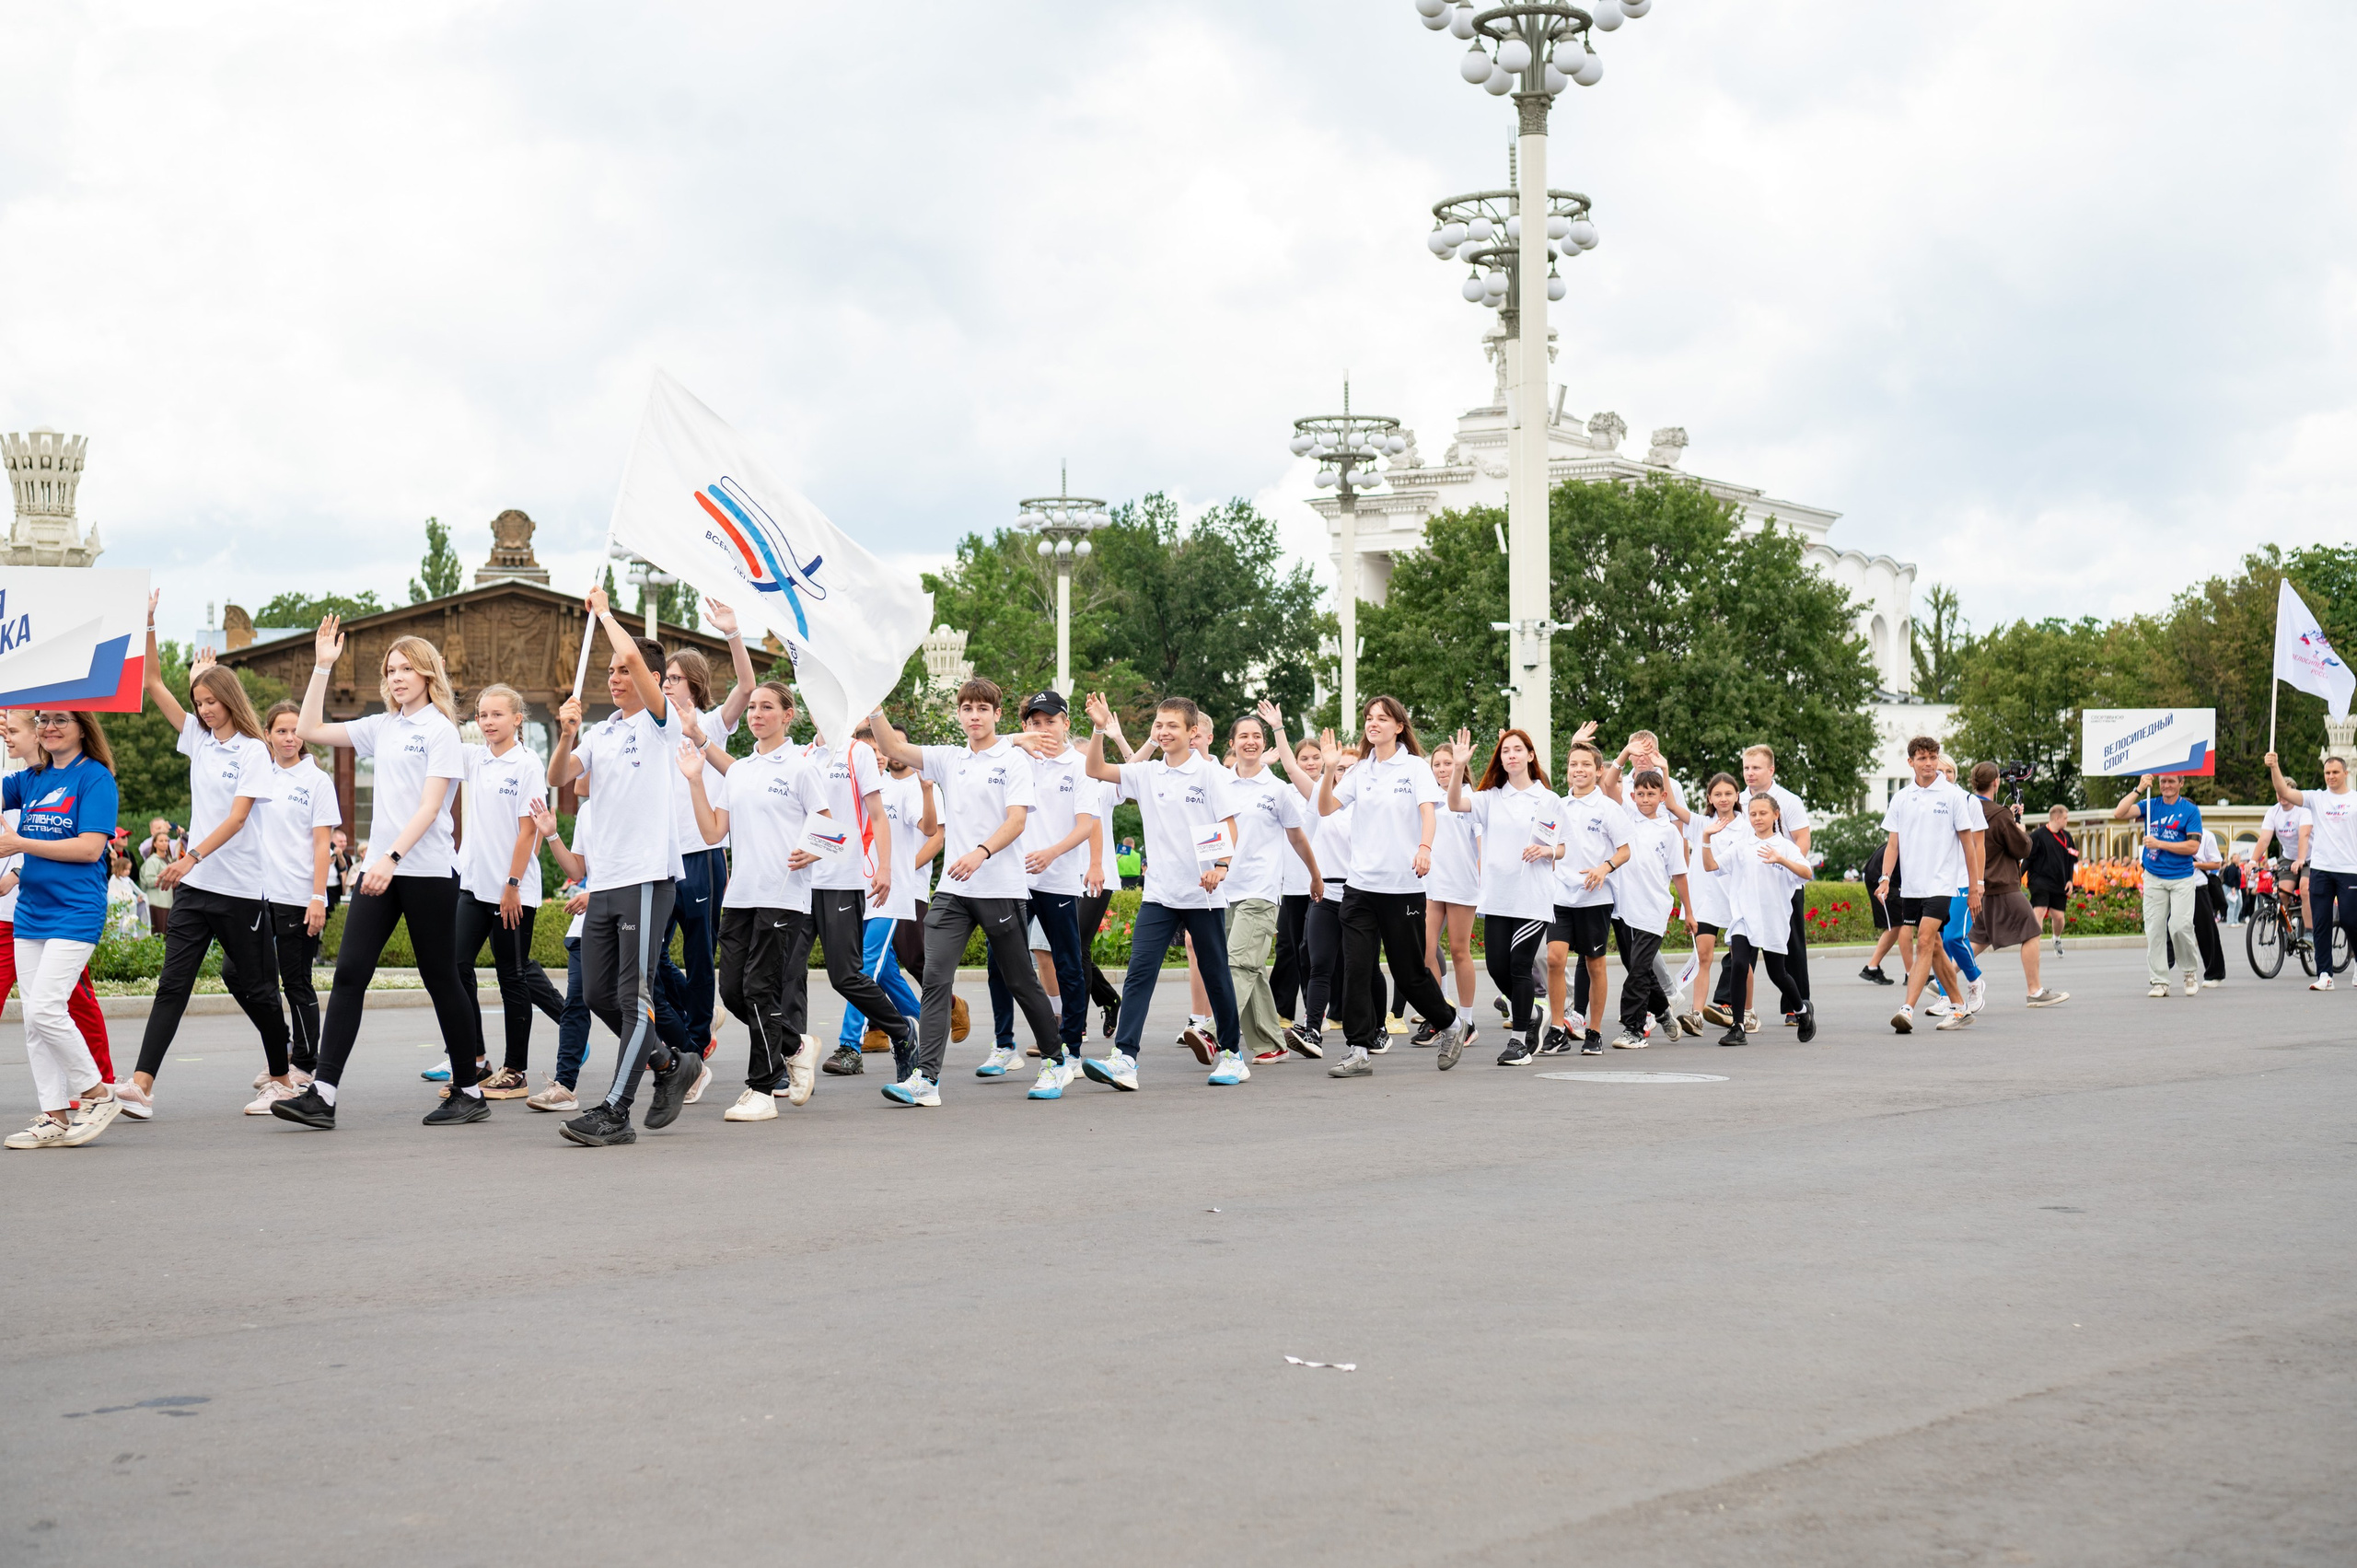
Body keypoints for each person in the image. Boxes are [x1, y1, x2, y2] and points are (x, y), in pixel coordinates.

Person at [271, 617, 483, 1130]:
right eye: (390, 671)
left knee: (441, 979)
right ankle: (322, 1095)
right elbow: (309, 729)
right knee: (349, 974)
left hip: (426, 871)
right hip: (380, 869)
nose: (397, 677)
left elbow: (431, 807)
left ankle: (470, 1090)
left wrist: (391, 857)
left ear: (428, 673)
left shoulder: (440, 730)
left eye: (406, 668)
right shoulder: (382, 726)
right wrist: (323, 666)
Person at [528, 589, 705, 1145]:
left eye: (623, 671)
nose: (613, 677)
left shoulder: (660, 724)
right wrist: (565, 736)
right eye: (608, 671)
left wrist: (604, 613)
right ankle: (671, 1065)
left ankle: (615, 1110)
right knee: (598, 995)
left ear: (648, 678)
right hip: (604, 882)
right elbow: (559, 778)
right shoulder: (602, 733)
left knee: (634, 997)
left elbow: (631, 654)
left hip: (646, 876)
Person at [119, 607, 293, 1121]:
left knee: (259, 990)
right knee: (173, 984)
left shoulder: (254, 752)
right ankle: (142, 1086)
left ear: (230, 700)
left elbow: (238, 819)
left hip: (238, 890)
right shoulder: (197, 737)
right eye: (198, 703)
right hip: (196, 889)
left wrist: (190, 856)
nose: (204, 710)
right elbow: (152, 682)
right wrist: (149, 623)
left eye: (212, 702)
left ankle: (283, 1080)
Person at [865, 681, 1063, 1106]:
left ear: (997, 714)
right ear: (959, 714)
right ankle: (926, 1080)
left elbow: (1017, 821)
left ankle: (1055, 1060)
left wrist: (980, 852)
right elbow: (893, 748)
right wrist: (874, 705)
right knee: (935, 980)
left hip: (999, 888)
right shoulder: (949, 758)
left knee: (1020, 981)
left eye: (983, 708)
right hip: (953, 890)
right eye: (968, 708)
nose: (974, 715)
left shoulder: (1013, 760)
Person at [1073, 691, 1246, 1090]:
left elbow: (1228, 824)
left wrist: (1220, 867)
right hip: (1159, 895)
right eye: (1158, 725)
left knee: (1217, 975)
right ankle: (1125, 1059)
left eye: (1172, 726)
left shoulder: (1209, 774)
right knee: (1139, 973)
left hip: (1202, 894)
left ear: (1193, 731)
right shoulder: (1147, 773)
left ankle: (1232, 1055)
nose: (1164, 732)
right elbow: (1095, 768)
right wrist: (1099, 729)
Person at [679, 680, 831, 1121]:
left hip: (783, 895)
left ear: (787, 715)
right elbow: (712, 832)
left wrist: (813, 850)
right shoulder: (741, 770)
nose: (757, 715)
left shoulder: (802, 767)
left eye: (767, 707)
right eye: (752, 708)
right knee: (732, 991)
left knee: (760, 990)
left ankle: (761, 1090)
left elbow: (832, 829)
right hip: (741, 896)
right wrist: (695, 781)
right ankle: (796, 1045)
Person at [1316, 695, 1464, 1078]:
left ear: (1399, 726)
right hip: (1360, 888)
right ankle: (1358, 1049)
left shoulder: (1414, 768)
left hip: (1403, 888)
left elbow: (1428, 813)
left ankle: (1450, 1024)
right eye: (1369, 718)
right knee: (1356, 970)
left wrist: (1425, 848)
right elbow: (1326, 808)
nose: (1373, 723)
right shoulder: (1360, 771)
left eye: (1382, 718)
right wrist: (1329, 769)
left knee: (1409, 973)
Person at [1, 708, 125, 1149]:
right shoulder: (30, 779)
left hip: (75, 910)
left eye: (60, 720)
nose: (49, 727)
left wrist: (19, 843)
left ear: (82, 727)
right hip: (31, 912)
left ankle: (97, 1093)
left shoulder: (95, 778)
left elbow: (90, 849)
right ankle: (53, 1115)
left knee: (45, 1010)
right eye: (43, 720)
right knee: (33, 1022)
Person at [649, 605, 759, 1065]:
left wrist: (733, 633)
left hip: (702, 856)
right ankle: (698, 1017)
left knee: (699, 958)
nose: (666, 684)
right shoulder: (653, 729)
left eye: (674, 678)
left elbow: (747, 687)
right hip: (660, 859)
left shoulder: (712, 724)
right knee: (649, 959)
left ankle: (693, 1047)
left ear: (693, 684)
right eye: (664, 678)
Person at [450, 684, 566, 1099]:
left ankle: (515, 1070)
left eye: (496, 714)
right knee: (456, 967)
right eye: (482, 715)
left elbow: (527, 832)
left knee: (511, 977)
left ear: (517, 719)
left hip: (511, 890)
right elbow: (440, 727)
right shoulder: (475, 758)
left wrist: (512, 885)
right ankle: (476, 1059)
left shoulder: (527, 764)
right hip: (473, 885)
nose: (487, 722)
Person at [978, 691, 1098, 1079]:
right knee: (999, 962)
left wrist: (1051, 853)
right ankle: (1004, 1046)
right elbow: (983, 741)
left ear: (1066, 723)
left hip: (1057, 879)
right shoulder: (1015, 759)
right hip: (1012, 880)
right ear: (1025, 726)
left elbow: (1086, 825)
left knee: (1067, 963)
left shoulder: (1080, 766)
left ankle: (1071, 1049)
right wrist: (1018, 739)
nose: (1043, 729)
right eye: (1035, 722)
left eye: (1050, 721)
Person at [799, 703, 918, 1094]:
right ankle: (791, 1057)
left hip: (843, 880)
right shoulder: (802, 756)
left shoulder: (857, 753)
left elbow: (874, 819)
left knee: (847, 975)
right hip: (801, 883)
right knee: (785, 973)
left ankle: (902, 1032)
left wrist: (885, 867)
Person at [238, 699, 340, 1110]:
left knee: (295, 981)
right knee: (237, 973)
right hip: (256, 895)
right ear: (267, 735)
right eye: (281, 730)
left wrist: (318, 897)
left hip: (298, 896)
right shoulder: (258, 774)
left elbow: (322, 844)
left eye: (296, 730)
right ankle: (281, 1047)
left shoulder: (317, 780)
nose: (289, 737)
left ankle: (304, 1064)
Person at [830, 730, 941, 1075]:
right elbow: (835, 835)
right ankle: (928, 1025)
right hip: (853, 890)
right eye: (868, 750)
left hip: (889, 895)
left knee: (863, 967)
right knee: (887, 973)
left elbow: (930, 830)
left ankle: (849, 1047)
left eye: (880, 750)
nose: (876, 756)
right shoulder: (846, 790)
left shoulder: (902, 789)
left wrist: (927, 791)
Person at [1218, 708, 1321, 1067]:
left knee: (1236, 964)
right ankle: (1270, 1043)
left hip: (1261, 890)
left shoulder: (1277, 790)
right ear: (1232, 743)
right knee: (1250, 968)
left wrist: (1315, 875)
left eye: (1257, 736)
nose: (1251, 742)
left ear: (1264, 744)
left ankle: (1215, 1032)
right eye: (1244, 736)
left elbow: (1297, 838)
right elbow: (1209, 834)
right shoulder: (1219, 784)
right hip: (1223, 889)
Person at [1707, 744, 1814, 1028]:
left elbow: (1802, 840)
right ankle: (1731, 1006)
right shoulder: (1739, 799)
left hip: (1783, 881)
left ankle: (1797, 1006)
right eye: (1746, 768)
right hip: (1748, 883)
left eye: (1756, 768)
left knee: (1789, 949)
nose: (1750, 773)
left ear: (1771, 770)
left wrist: (1787, 866)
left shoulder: (1788, 800)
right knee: (1740, 948)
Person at [1875, 736, 1975, 1033]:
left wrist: (1975, 886)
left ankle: (1907, 1009)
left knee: (1925, 941)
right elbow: (1893, 844)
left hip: (1942, 885)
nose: (1929, 763)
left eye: (1933, 758)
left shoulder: (1953, 795)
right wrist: (1885, 878)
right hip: (1912, 887)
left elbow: (1968, 845)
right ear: (1911, 762)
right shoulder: (1901, 798)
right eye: (1922, 758)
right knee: (1936, 946)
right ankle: (1959, 1006)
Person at [1544, 727, 1631, 1057]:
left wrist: (1604, 868)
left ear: (1598, 771)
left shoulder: (1608, 808)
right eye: (1573, 764)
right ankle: (1556, 1029)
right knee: (1555, 959)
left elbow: (1625, 851)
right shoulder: (1557, 805)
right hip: (1560, 896)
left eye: (1585, 765)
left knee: (1595, 964)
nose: (1578, 769)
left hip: (1595, 897)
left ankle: (1594, 1031)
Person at [1967, 762, 2068, 1007]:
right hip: (2002, 882)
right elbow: (2022, 848)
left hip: (1980, 883)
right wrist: (2019, 829)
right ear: (1996, 782)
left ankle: (1942, 980)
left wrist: (2008, 817)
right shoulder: (1999, 814)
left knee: (1978, 939)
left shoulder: (1968, 808)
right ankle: (2035, 991)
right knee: (2032, 930)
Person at [1609, 768, 1696, 1049]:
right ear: (1632, 795)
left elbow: (1679, 874)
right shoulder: (1626, 818)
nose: (1645, 799)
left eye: (1651, 794)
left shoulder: (1669, 832)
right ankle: (1662, 1011)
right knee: (1638, 967)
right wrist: (1625, 753)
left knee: (1637, 970)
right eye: (1640, 794)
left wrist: (1689, 911)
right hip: (1625, 909)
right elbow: (1608, 784)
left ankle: (1633, 1029)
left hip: (1653, 910)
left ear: (1663, 796)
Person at [2264, 749, 2354, 992]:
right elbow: (2284, 792)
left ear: (2346, 773)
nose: (2331, 776)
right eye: (2327, 772)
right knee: (2321, 922)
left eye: (2335, 772)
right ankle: (2325, 974)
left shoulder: (2354, 800)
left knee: (2350, 919)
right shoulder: (2316, 798)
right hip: (2321, 868)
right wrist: (2274, 767)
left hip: (2349, 868)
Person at [2110, 771, 2202, 999]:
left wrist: (2160, 843)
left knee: (2180, 926)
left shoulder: (2190, 811)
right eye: (2163, 781)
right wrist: (2139, 788)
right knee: (2154, 930)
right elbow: (2119, 813)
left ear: (2181, 783)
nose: (2166, 785)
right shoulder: (2150, 805)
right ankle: (2160, 981)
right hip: (2153, 876)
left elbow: (2192, 847)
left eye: (2171, 781)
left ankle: (2189, 972)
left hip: (2181, 877)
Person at [1417, 734, 1480, 1049]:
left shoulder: (1470, 797)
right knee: (1425, 952)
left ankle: (1467, 1022)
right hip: (1431, 884)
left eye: (1447, 763)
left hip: (1461, 883)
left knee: (1459, 951)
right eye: (1437, 765)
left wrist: (1484, 879)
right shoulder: (1427, 799)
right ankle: (1442, 1015)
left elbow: (1481, 844)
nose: (1442, 769)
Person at [1681, 772, 1746, 1032]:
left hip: (1737, 902)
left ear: (1737, 795)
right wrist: (1663, 767)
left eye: (1728, 793)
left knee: (1740, 960)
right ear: (1709, 798)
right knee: (1704, 956)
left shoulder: (1746, 826)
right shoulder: (1701, 823)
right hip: (1707, 902)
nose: (1723, 798)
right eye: (1717, 794)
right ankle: (1696, 1014)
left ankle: (1747, 1012)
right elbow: (1672, 805)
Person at [2254, 787, 2310, 939]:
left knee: (2305, 889)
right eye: (2278, 793)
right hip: (2289, 857)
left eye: (2285, 792)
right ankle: (2288, 931)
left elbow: (2304, 836)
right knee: (2282, 893)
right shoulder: (2273, 812)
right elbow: (2264, 839)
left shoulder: (2303, 810)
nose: (2282, 796)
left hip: (2309, 856)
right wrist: (2253, 861)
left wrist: (2301, 859)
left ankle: (2309, 933)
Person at [2024, 804, 2081, 954]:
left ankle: (2056, 938)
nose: (2067, 821)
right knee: (2040, 910)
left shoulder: (2067, 837)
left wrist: (2070, 880)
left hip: (2059, 882)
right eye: (2065, 818)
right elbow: (2028, 859)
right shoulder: (2037, 835)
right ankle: (2034, 945)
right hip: (2039, 880)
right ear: (2057, 818)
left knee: (2059, 917)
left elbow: (2071, 859)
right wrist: (2018, 876)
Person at [1856, 834, 1911, 985]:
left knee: (1896, 924)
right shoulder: (1912, 840)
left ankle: (1872, 967)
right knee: (1903, 922)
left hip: (1878, 876)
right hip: (1881, 878)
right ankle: (1911, 973)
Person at [138, 819, 176, 935]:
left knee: (167, 936)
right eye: (161, 841)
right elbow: (149, 880)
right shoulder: (152, 860)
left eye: (167, 841)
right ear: (154, 844)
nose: (165, 843)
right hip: (157, 903)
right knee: (159, 935)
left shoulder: (169, 860)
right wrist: (167, 877)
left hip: (169, 903)